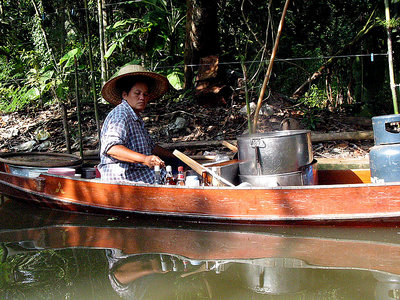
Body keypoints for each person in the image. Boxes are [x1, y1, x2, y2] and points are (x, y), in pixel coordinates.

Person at [98, 64, 176, 183]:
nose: (142, 98)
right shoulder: (120, 115)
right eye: (137, 93)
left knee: (177, 171)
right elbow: (112, 148)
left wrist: (176, 157)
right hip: (123, 176)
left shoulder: (135, 117)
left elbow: (151, 147)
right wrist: (145, 159)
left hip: (137, 172)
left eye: (145, 94)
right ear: (125, 95)